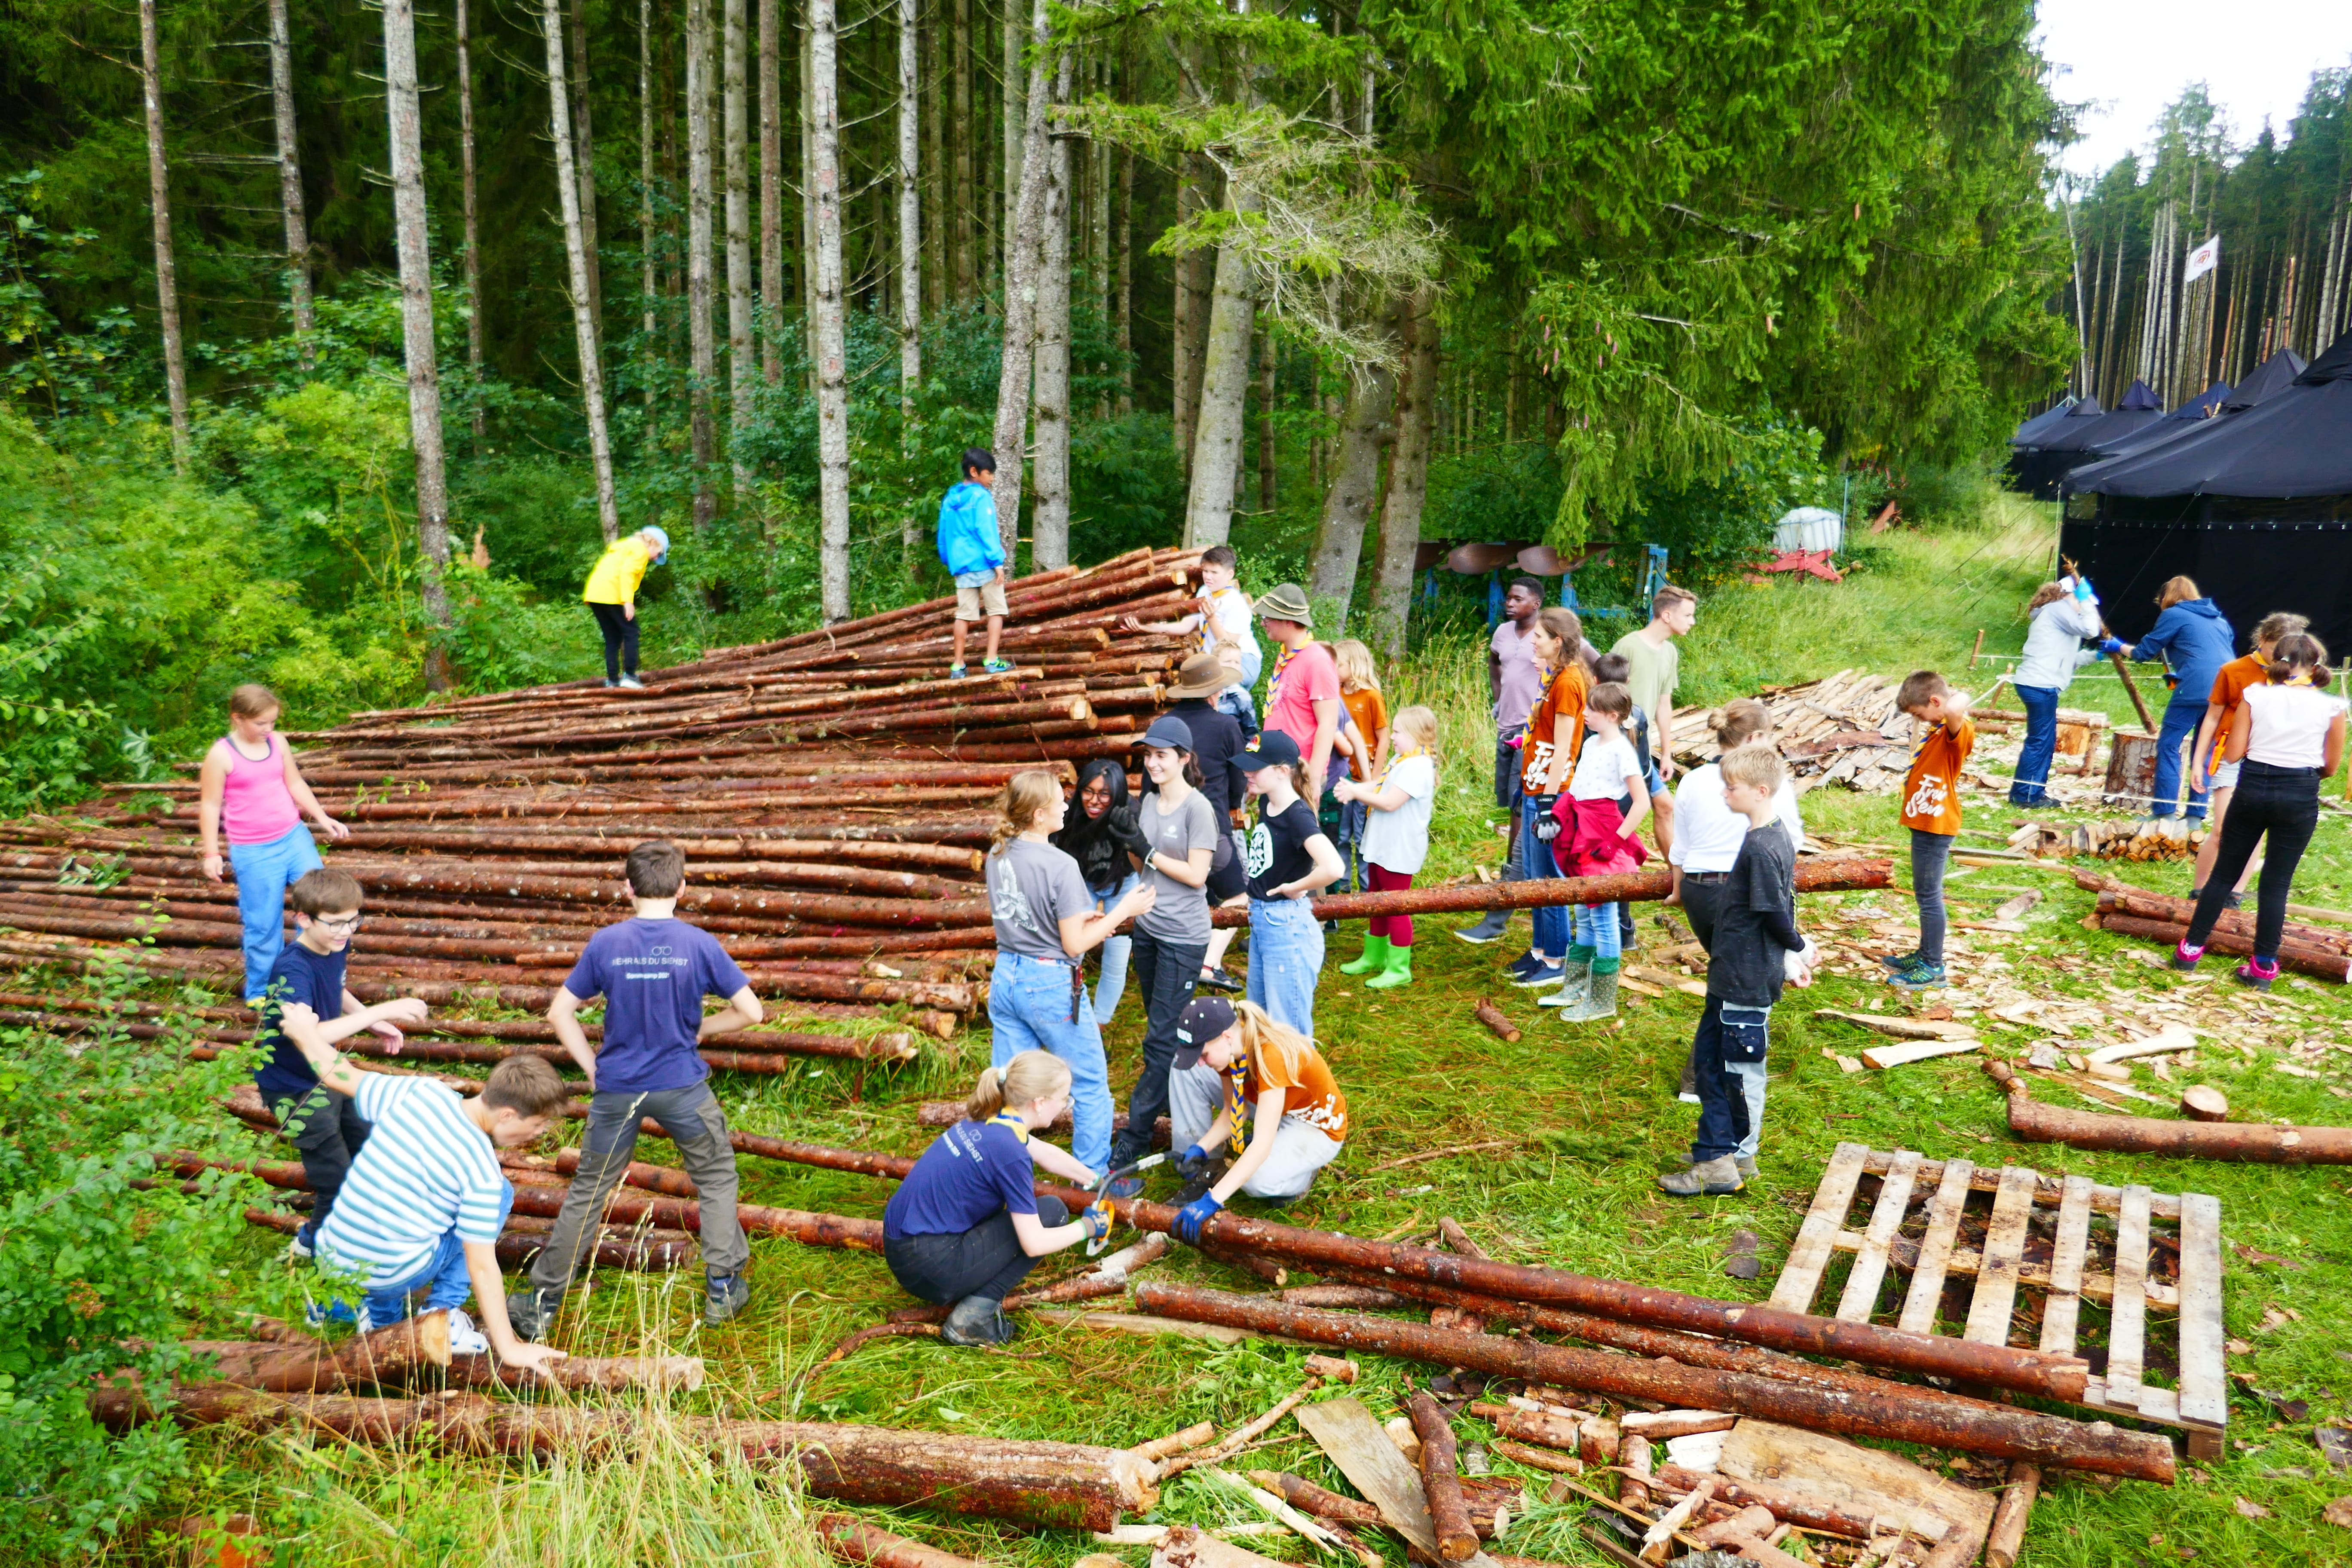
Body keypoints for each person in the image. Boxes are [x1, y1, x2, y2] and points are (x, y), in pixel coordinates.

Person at [509, 840, 766, 1338]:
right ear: (682, 888)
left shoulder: (607, 943)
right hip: (682, 1087)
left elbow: (559, 1013)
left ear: (627, 888)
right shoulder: (698, 944)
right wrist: (702, 1029)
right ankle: (723, 1288)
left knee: (589, 1190)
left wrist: (592, 1068)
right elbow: (752, 1012)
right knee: (715, 1177)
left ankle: (541, 1303)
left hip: (618, 1089)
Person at [279, 1011, 568, 1370]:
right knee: (502, 1196)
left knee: (390, 1254)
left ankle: (337, 1304)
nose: (537, 1134)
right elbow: (481, 1265)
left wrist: (303, 1034)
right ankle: (441, 1314)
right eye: (537, 1125)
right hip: (389, 1274)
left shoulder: (421, 1092)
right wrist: (510, 1348)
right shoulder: (482, 1173)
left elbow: (340, 1074)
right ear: (508, 1115)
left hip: (332, 1255)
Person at [982, 769, 1155, 1185]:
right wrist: (1121, 911)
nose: (1067, 806)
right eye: (1058, 801)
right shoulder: (1060, 864)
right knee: (1090, 1083)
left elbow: (1030, 913)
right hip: (1049, 984)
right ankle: (1092, 1180)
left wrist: (1083, 918)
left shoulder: (998, 853)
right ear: (1039, 815)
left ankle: (998, 1172)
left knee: (1011, 1082)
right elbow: (1075, 945)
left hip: (1006, 976)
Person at [1657, 745, 1811, 1198]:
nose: (1725, 794)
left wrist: (1797, 949)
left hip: (1744, 977)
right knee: (1711, 1061)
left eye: (1733, 787)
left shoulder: (1763, 846)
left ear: (1761, 791)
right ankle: (1731, 1153)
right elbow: (1780, 904)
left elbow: (1775, 913)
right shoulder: (1768, 834)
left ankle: (1721, 1163)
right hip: (1732, 970)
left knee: (1734, 1072)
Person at [253, 868, 429, 1264]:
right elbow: (309, 1034)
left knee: (368, 1152)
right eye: (336, 923)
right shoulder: (293, 969)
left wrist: (371, 1020)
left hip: (330, 1072)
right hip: (294, 1088)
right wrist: (381, 1011)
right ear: (303, 919)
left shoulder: (333, 944)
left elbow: (337, 987)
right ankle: (311, 1246)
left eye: (354, 920)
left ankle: (365, 1232)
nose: (346, 931)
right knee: (338, 1181)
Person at [881, 1053, 1112, 1345]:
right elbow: (1035, 1242)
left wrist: (1094, 1179)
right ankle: (972, 1319)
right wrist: (1088, 1228)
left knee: (1023, 1209)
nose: (1067, 1105)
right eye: (1065, 1099)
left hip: (902, 1248)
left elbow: (1044, 1152)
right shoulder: (1010, 1152)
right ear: (1040, 1102)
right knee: (1052, 1213)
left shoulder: (992, 1122)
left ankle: (965, 1284)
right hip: (930, 1268)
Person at [2171, 633, 2346, 989]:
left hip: (2253, 787)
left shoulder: (2255, 695)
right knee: (2276, 884)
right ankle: (2264, 966)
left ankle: (2190, 950)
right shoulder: (2333, 707)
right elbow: (2331, 767)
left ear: (2276, 661)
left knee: (2223, 875)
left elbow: (2234, 754)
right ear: (2316, 667)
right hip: (2299, 794)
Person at [1665, 698, 1805, 1117]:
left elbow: (1681, 845)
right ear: (1756, 736)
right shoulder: (1767, 781)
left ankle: (1721, 1070)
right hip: (1745, 894)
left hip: (1701, 890)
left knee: (1731, 981)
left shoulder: (1693, 780)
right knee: (1740, 986)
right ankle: (1712, 1076)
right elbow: (1791, 840)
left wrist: (1679, 888)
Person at [1104, 715, 1220, 1170]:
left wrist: (1147, 849)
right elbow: (1143, 868)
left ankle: (1135, 1136)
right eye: (1148, 756)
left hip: (1183, 937)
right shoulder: (1149, 801)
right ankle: (1177, 1099)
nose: (1152, 764)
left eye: (1162, 756)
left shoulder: (1198, 809)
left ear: (1184, 759)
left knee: (1160, 1039)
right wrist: (1130, 843)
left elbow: (1197, 875)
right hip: (1149, 929)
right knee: (1162, 1027)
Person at [198, 684, 352, 1002]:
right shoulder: (221, 755)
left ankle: (316, 978)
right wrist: (211, 852)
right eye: (261, 723)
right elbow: (210, 805)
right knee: (264, 924)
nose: (268, 729)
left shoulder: (277, 742)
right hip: (253, 850)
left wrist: (322, 818)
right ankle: (263, 991)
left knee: (322, 904)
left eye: (273, 722)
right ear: (237, 718)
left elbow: (294, 782)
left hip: (294, 838)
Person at [1167, 996, 1348, 1235]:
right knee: (1186, 1072)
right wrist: (1202, 1147)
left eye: (1204, 1054)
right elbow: (1236, 1110)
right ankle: (1208, 1167)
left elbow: (1261, 1145)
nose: (1201, 1063)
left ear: (1226, 1037)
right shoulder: (1230, 1050)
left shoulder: (1271, 1055)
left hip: (1314, 1125)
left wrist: (1213, 1200)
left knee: (1256, 1180)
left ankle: (1302, 1178)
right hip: (1273, 1105)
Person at [1539, 682, 1650, 1021]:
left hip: (1603, 834)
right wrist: (1553, 816)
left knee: (1603, 917)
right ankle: (1576, 988)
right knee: (1583, 912)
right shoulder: (1590, 743)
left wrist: (1615, 841)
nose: (1584, 713)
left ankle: (1603, 1000)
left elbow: (1642, 803)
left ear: (1613, 716)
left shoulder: (1622, 751)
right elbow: (1577, 790)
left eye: (1592, 710)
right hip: (1580, 829)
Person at [2189, 612, 2309, 906]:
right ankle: (2199, 890)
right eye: (2276, 649)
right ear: (2262, 639)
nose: (2281, 657)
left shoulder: (2297, 676)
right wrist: (2198, 761)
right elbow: (2211, 718)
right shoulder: (2233, 671)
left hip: (2269, 758)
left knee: (2254, 830)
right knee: (2222, 828)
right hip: (2230, 756)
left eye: (2288, 652)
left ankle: (2235, 893)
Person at [1236, 731, 1346, 1039]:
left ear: (1283, 771)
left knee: (1289, 1030)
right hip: (1262, 922)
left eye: (1255, 769)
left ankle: (1297, 1073)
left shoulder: (1297, 815)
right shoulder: (1267, 804)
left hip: (1286, 926)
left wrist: (1296, 885)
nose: (1247, 774)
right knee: (1259, 1019)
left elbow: (1334, 867)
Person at [1153, 652, 1252, 994]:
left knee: (1188, 894)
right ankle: (1209, 964)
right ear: (1214, 692)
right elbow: (1239, 778)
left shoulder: (1162, 726)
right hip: (1210, 828)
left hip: (1165, 827)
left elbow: (1150, 782)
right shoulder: (1226, 725)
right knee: (1240, 895)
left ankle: (1179, 961)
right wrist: (1233, 806)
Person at [1458, 576, 1550, 944]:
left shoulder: (1552, 641)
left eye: (1517, 599)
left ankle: (1509, 890)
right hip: (1508, 730)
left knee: (1521, 814)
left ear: (1537, 604)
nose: (1509, 604)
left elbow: (1596, 663)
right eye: (1508, 598)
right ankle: (1516, 881)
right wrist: (1497, 697)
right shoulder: (1502, 634)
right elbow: (1495, 662)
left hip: (1534, 738)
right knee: (1513, 808)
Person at [2107, 577, 2236, 821]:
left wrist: (2117, 646)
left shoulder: (2174, 614)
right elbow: (2209, 655)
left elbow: (2143, 653)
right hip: (2227, 688)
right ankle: (2195, 817)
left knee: (2169, 745)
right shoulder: (2219, 620)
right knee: (2205, 750)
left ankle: (2164, 812)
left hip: (2194, 688)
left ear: (2166, 598)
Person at [1508, 608, 1590, 991]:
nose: (1533, 641)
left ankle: (1557, 958)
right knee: (1533, 876)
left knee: (1550, 880)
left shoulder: (1569, 682)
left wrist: (1549, 803)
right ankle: (1540, 950)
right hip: (1534, 785)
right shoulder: (1553, 674)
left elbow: (1563, 747)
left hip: (1550, 793)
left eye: (1539, 636)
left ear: (1558, 641)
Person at [1334, 705, 1439, 990]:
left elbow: (1391, 802)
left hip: (1399, 849)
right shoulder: (1402, 760)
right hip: (1382, 844)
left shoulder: (1417, 767)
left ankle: (1398, 967)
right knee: (1376, 900)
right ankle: (1374, 955)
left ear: (1416, 735)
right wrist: (1353, 787)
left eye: (1397, 732)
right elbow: (1379, 787)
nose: (1391, 737)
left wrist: (1356, 793)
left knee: (1396, 906)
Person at [1886, 670, 1972, 990]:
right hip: (1925, 823)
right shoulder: (1938, 730)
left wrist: (1958, 697)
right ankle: (1924, 955)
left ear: (1935, 701)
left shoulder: (1957, 731)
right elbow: (1946, 709)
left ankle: (1933, 966)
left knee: (1929, 897)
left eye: (1919, 713)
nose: (1920, 719)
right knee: (1925, 894)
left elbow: (1955, 707)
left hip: (1936, 827)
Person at [1126, 544, 1261, 738]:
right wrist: (1148, 628)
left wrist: (1212, 618)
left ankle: (1241, 737)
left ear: (1230, 574)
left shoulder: (1236, 603)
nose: (1208, 576)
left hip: (1242, 659)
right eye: (1205, 571)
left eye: (1214, 572)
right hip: (1218, 660)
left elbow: (1228, 644)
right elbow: (1186, 626)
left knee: (1228, 700)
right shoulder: (1204, 592)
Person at [1051, 759, 1138, 1021]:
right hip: (1082, 883)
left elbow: (1143, 856)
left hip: (1123, 884)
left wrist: (1131, 836)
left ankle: (1100, 1022)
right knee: (1072, 948)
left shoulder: (1132, 812)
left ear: (1117, 794)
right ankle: (1065, 1014)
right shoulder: (1069, 813)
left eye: (1104, 794)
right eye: (1088, 791)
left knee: (1116, 958)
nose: (1094, 801)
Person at [2007, 576, 2103, 806]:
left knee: (2044, 741)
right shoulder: (2059, 610)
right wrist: (2086, 601)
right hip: (2040, 684)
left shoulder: (2057, 616)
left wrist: (2098, 655)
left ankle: (2031, 793)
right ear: (2072, 596)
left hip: (2039, 683)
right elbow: (2091, 629)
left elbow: (2068, 659)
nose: (2084, 608)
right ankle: (2026, 796)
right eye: (2082, 602)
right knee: (2040, 742)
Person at [1253, 584, 1344, 805]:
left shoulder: (1317, 661)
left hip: (1298, 774)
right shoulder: (1286, 657)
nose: (1263, 623)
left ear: (1287, 620)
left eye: (1268, 617)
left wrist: (1313, 779)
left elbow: (1328, 723)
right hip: (1276, 770)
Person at [938, 447, 1012, 677]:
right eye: (989, 473)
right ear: (974, 472)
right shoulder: (981, 497)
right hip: (985, 564)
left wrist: (949, 561)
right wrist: (997, 562)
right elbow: (986, 530)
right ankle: (991, 661)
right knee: (996, 611)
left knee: (964, 615)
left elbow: (943, 535)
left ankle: (958, 666)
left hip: (962, 567)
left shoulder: (950, 499)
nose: (992, 478)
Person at [581, 525, 671, 690]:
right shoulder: (641, 550)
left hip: (595, 594)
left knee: (612, 638)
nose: (655, 558)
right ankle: (630, 676)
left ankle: (613, 681)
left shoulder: (624, 547)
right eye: (659, 553)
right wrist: (628, 601)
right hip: (613, 593)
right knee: (632, 631)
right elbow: (627, 573)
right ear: (653, 543)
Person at [1333, 640, 1390, 892]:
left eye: (1339, 665)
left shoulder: (1371, 696)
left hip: (1364, 780)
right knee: (1341, 836)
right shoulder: (1335, 694)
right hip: (1342, 778)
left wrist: (1375, 779)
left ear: (1354, 665)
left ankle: (1367, 891)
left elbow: (1383, 738)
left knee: (1363, 838)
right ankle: (1343, 886)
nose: (1334, 669)